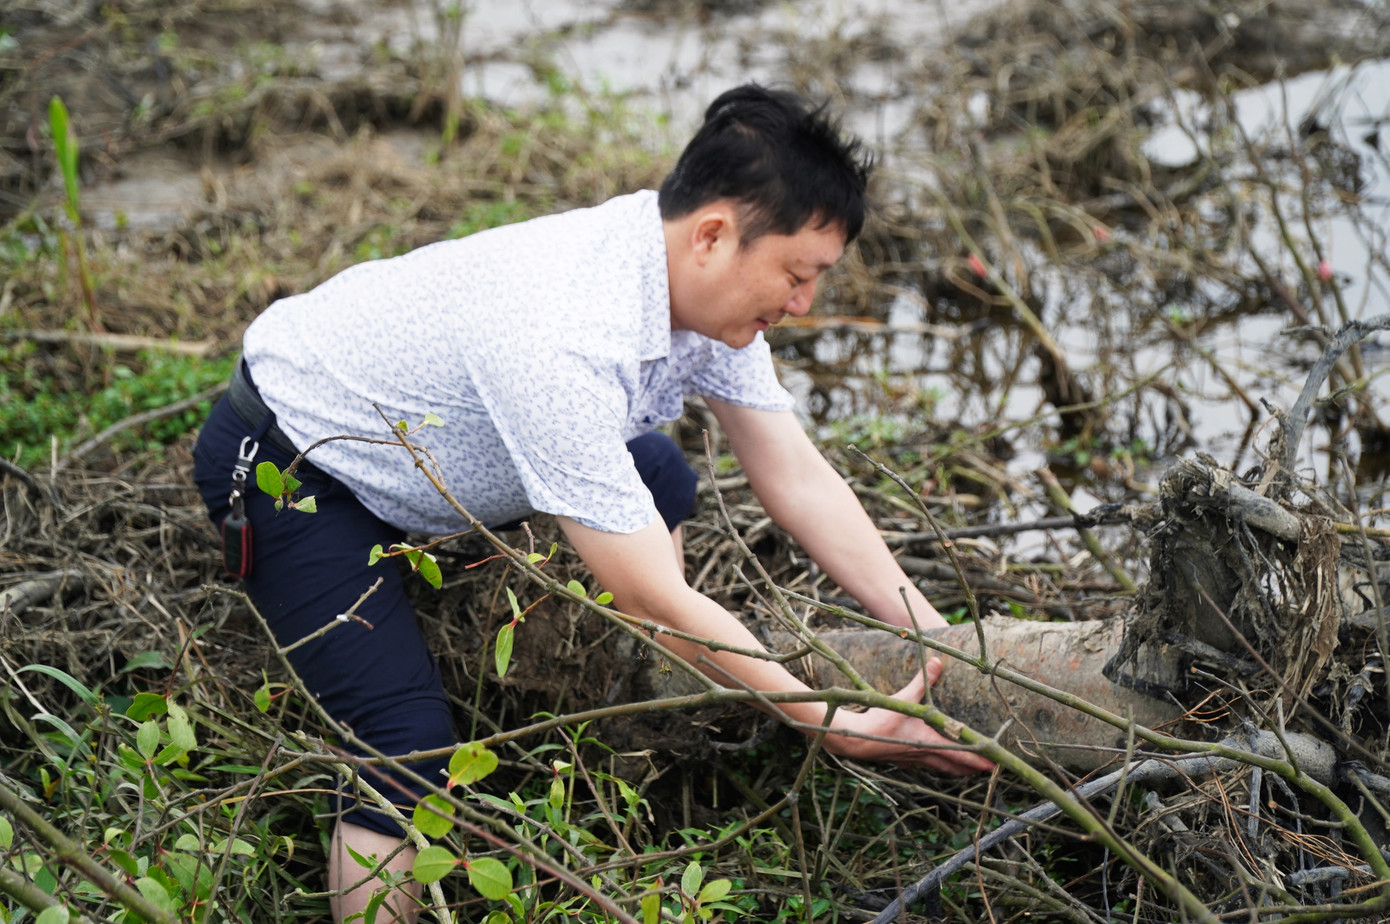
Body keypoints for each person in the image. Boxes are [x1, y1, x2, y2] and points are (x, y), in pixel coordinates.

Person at [193, 83, 994, 923]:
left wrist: (938, 637)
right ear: (714, 235)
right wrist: (823, 717)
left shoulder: (689, 286)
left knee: (662, 477)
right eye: (798, 276)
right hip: (298, 463)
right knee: (406, 743)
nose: (803, 305)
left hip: (440, 433)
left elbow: (796, 478)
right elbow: (649, 591)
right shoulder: (563, 334)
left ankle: (651, 670)